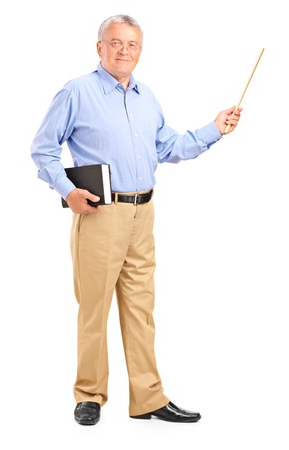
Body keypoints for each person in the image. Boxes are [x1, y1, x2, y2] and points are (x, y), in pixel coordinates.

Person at [30, 14, 242, 426]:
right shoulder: (77, 91)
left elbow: (170, 146)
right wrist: (68, 191)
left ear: (140, 52)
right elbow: (43, 149)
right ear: (99, 48)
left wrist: (214, 129)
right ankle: (89, 394)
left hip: (143, 214)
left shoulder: (147, 97)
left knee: (141, 310)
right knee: (94, 308)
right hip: (99, 216)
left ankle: (147, 398)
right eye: (116, 43)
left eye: (132, 45)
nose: (124, 51)